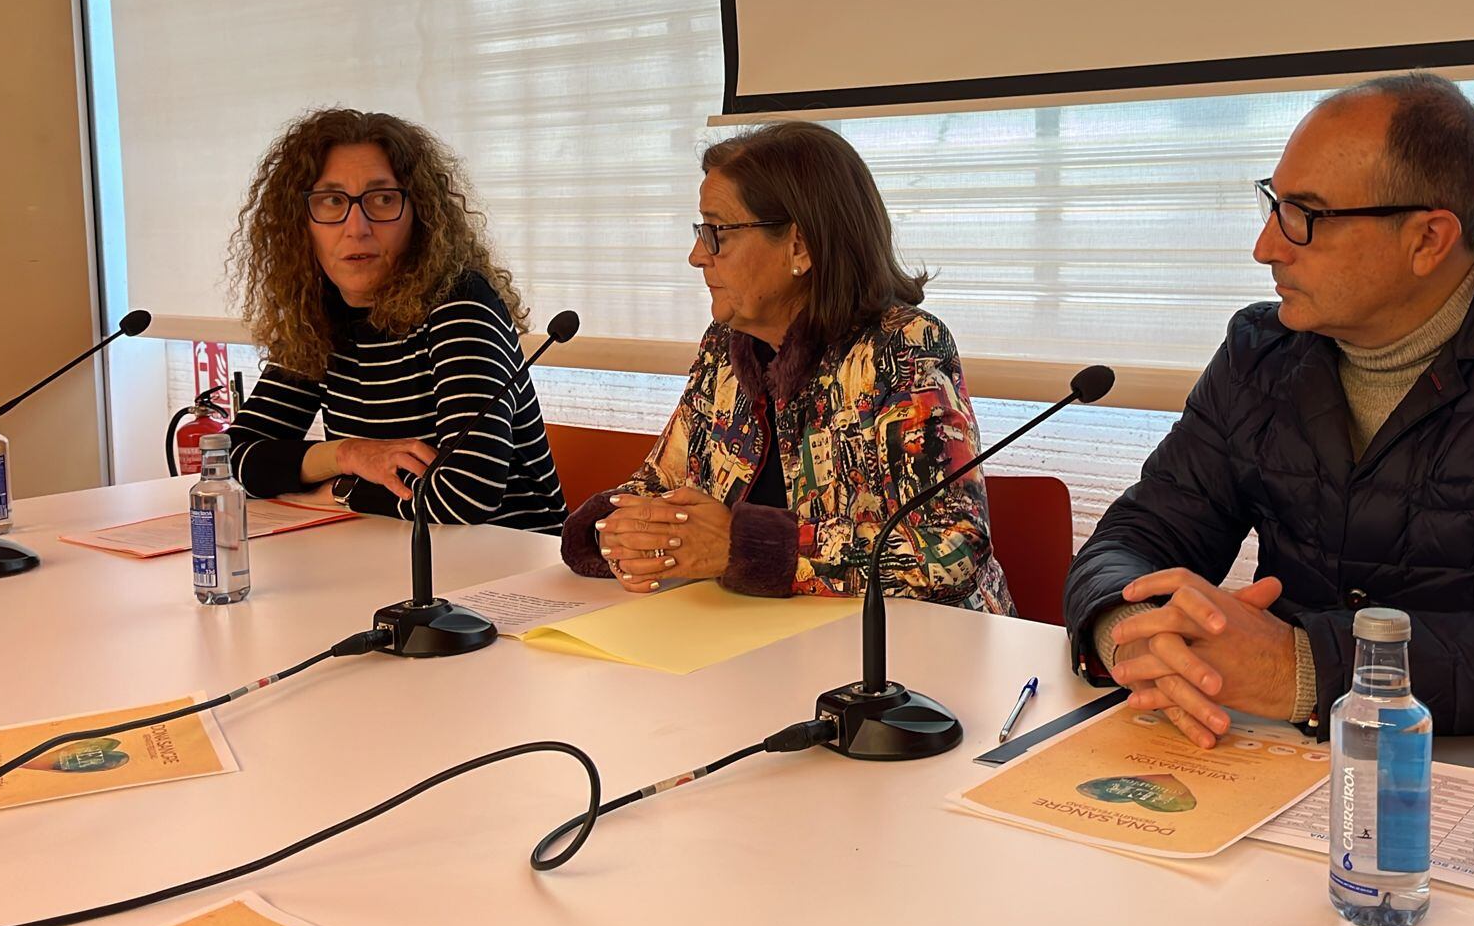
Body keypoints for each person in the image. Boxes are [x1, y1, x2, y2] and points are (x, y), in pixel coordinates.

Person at [1064, 72, 1474, 746]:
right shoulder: (1261, 350)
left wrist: (1306, 666)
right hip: (1279, 761)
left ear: (1428, 239)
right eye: (1274, 204)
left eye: (1306, 216)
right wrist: (1129, 632)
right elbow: (1134, 540)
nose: (1266, 247)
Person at [559, 121, 1012, 613]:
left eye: (717, 232)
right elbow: (656, 487)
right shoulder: (725, 350)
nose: (696, 256)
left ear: (799, 246)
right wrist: (625, 532)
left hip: (911, 658)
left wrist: (745, 545)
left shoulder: (903, 347)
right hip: (757, 638)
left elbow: (953, 549)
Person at [222, 107, 565, 532]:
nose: (357, 226)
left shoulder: (460, 305)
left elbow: (464, 497)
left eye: (382, 199)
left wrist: (339, 492)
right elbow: (232, 456)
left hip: (508, 571)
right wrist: (348, 455)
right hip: (384, 556)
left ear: (418, 215)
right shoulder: (319, 315)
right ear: (300, 223)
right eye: (331, 201)